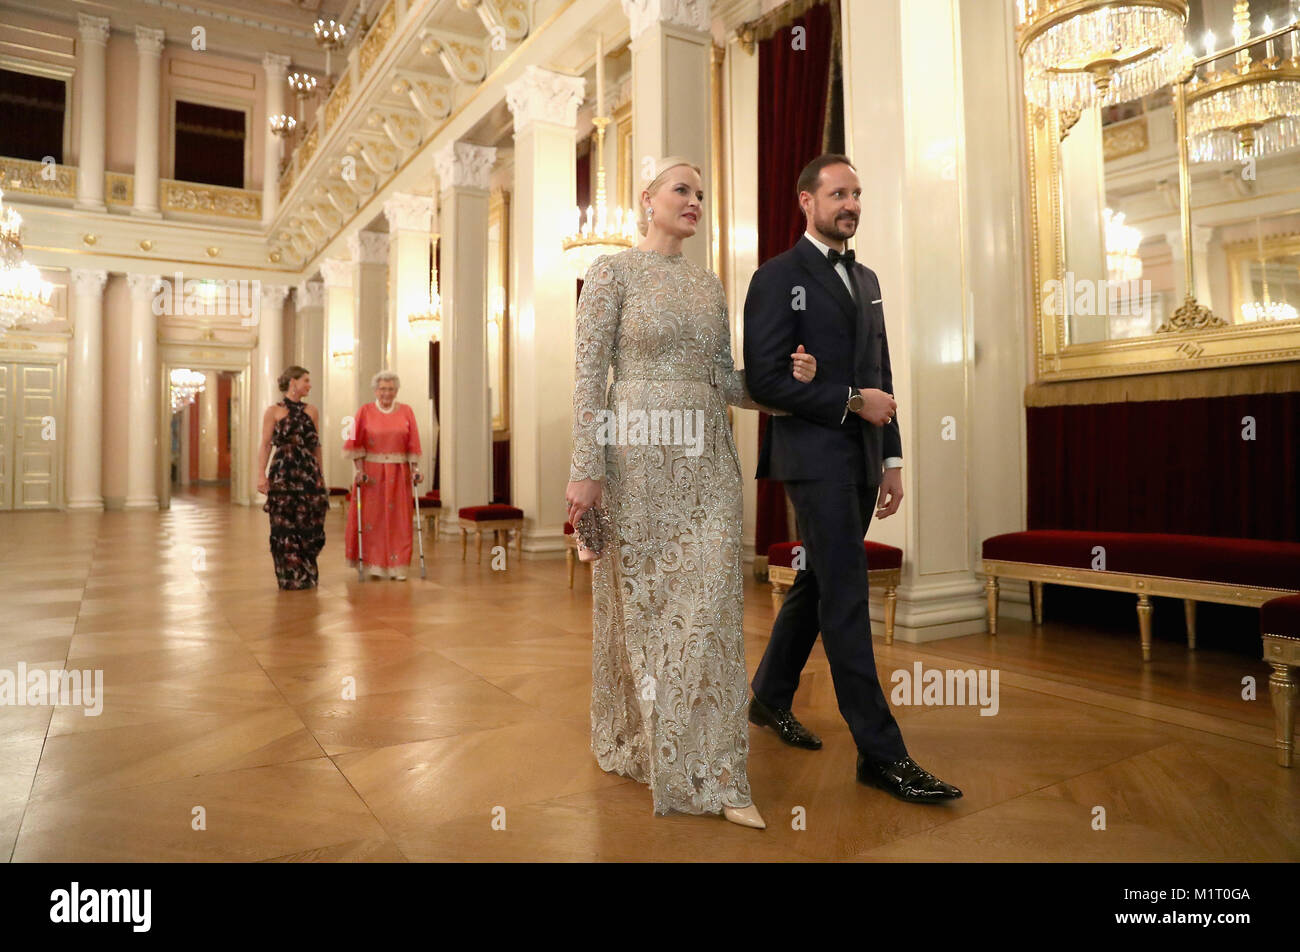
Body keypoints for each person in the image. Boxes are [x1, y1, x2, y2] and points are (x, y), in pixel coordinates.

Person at [565, 156, 820, 831]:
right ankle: (645, 741)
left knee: (708, 607)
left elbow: (723, 381)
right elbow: (591, 376)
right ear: (646, 200)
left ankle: (714, 769)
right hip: (635, 462)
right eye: (681, 189)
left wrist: (786, 386)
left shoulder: (709, 287)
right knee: (640, 611)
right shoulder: (611, 273)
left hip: (707, 463)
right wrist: (584, 469)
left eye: (701, 194)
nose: (694, 201)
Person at [743, 153, 962, 804]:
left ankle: (767, 697)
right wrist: (848, 401)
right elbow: (765, 380)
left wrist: (891, 458)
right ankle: (881, 754)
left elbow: (882, 376)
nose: (852, 204)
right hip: (812, 461)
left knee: (819, 581)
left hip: (864, 460)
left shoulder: (864, 277)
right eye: (839, 193)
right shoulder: (776, 277)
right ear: (806, 201)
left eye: (858, 193)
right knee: (846, 596)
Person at [344, 370, 423, 580]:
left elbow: (413, 441)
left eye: (390, 389)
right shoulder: (363, 411)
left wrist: (415, 469)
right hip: (372, 473)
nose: (386, 393)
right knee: (373, 518)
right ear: (375, 391)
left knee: (399, 519)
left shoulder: (407, 411)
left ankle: (398, 565)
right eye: (382, 389)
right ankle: (374, 564)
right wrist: (359, 470)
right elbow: (353, 442)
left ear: (396, 391)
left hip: (398, 472)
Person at [258, 365, 329, 590]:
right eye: (306, 380)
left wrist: (321, 475)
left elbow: (316, 445)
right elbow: (266, 444)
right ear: (293, 383)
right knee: (283, 525)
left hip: (308, 472)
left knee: (310, 523)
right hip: (283, 472)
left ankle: (307, 570)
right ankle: (289, 575)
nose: (309, 385)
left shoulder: (312, 411)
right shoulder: (273, 411)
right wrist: (261, 475)